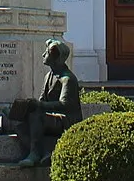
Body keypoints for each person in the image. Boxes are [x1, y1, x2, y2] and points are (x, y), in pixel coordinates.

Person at [10, 39, 82, 167]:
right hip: (51, 116)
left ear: (56, 58)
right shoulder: (49, 75)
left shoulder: (67, 79)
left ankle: (34, 154)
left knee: (36, 116)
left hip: (66, 119)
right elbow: (42, 99)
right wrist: (27, 107)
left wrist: (39, 105)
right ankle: (44, 152)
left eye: (47, 53)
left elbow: (65, 105)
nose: (43, 55)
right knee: (19, 124)